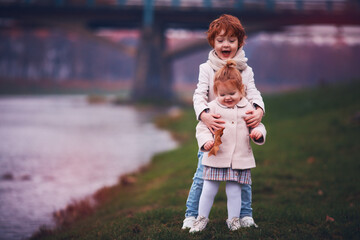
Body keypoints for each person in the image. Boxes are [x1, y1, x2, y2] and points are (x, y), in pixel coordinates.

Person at [182, 14, 265, 230]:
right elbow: (199, 95)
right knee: (202, 175)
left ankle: (245, 214)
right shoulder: (206, 68)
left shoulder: (246, 70)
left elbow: (253, 94)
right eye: (220, 40)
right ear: (213, 43)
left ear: (240, 42)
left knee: (242, 176)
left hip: (238, 129)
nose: (225, 44)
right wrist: (205, 115)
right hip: (214, 129)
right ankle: (192, 215)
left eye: (231, 40)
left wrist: (259, 111)